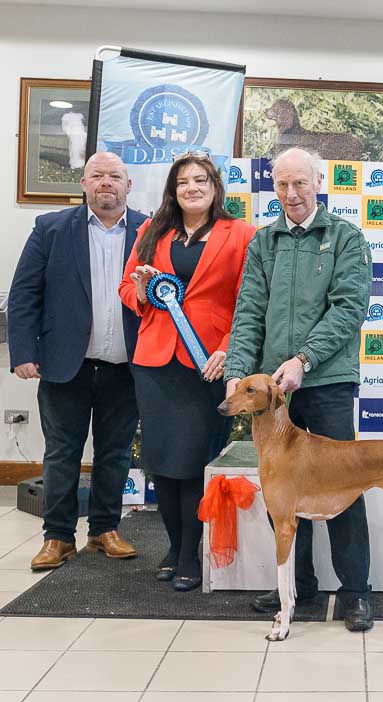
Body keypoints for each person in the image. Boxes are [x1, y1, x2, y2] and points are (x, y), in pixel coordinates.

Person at [224, 147, 374, 632]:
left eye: (300, 184)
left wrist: (304, 359)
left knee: (344, 486)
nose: (290, 194)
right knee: (282, 491)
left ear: (318, 183)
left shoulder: (346, 237)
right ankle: (298, 586)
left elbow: (348, 309)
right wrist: (239, 372)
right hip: (273, 391)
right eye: (282, 185)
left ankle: (356, 592)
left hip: (326, 380)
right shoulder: (263, 242)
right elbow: (249, 311)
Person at [119, 152, 254, 592]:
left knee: (194, 462)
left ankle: (191, 553)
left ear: (215, 188)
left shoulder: (241, 234)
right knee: (161, 463)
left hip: (207, 365)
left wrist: (228, 349)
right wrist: (141, 292)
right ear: (173, 191)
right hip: (155, 363)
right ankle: (174, 547)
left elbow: (249, 302)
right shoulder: (151, 230)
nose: (191, 188)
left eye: (200, 180)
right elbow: (126, 289)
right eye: (182, 182)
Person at [8, 152, 147, 570]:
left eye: (115, 176)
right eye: (97, 175)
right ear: (84, 183)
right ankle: (57, 537)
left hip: (125, 366)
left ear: (128, 185)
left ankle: (105, 530)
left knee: (115, 453)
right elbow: (24, 293)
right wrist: (23, 352)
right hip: (65, 365)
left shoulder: (150, 230)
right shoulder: (50, 228)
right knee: (61, 453)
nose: (106, 182)